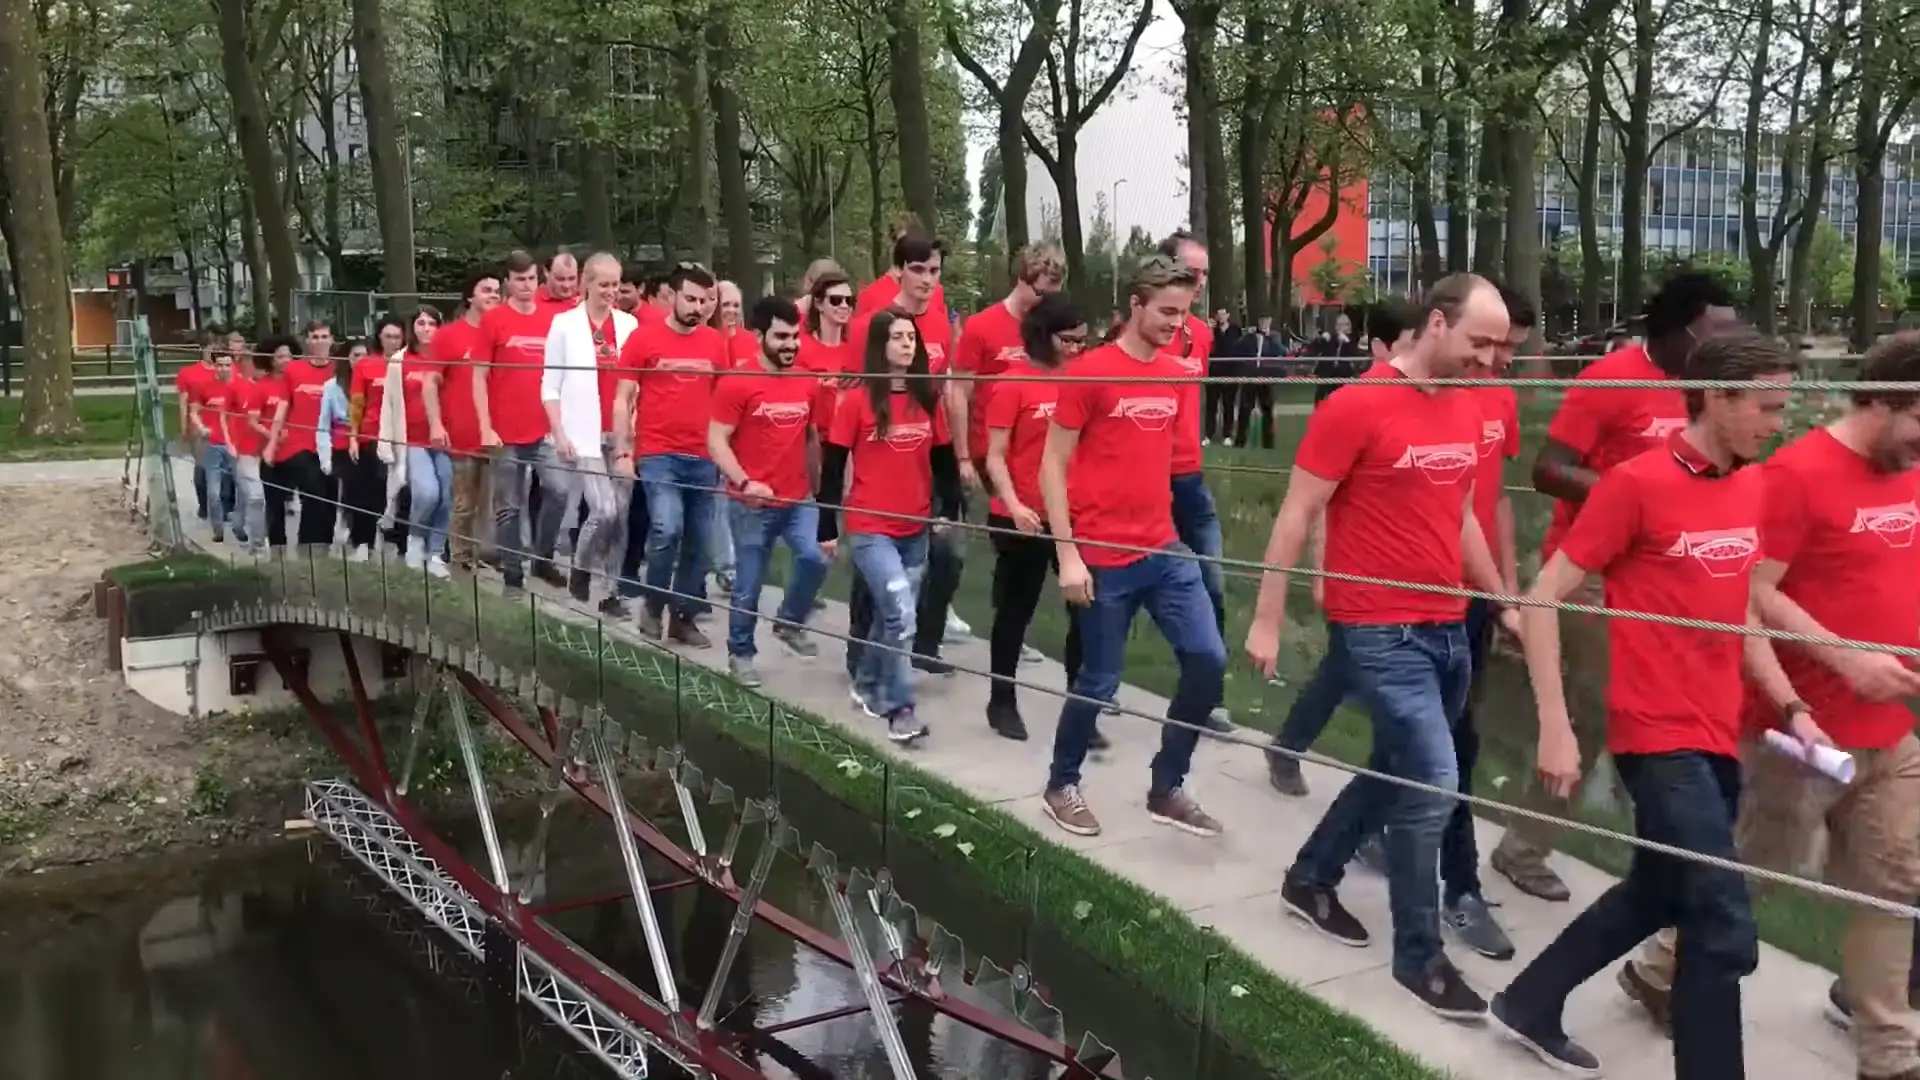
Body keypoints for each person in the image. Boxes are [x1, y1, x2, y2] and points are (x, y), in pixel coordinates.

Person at [1488, 333, 1804, 1079]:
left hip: (1716, 731)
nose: (1777, 423)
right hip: (1654, 738)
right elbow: (1540, 600)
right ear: (1717, 396)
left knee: (1655, 894)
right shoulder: (1635, 484)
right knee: (1720, 928)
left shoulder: (1751, 486)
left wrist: (1791, 705)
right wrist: (1557, 729)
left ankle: (1530, 1002)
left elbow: (1742, 611)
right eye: (1766, 407)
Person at [1616, 332, 1920, 1080]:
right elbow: (1748, 590)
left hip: (1894, 731)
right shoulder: (1794, 475)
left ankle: (1888, 1052)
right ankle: (1660, 970)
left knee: (1896, 883)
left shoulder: (1910, 470)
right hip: (1797, 730)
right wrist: (1842, 657)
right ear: (1884, 400)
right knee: (1754, 874)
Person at [1244, 273, 1511, 1018]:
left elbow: (1458, 514)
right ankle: (1418, 960)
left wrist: (1500, 599)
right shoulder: (1355, 405)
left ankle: (1312, 876)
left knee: (1398, 768)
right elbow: (1297, 512)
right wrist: (1268, 617)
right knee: (1433, 783)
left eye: (1499, 347)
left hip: (1449, 626)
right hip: (1376, 626)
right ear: (1434, 325)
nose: (1491, 360)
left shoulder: (1465, 406)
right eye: (1479, 343)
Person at [1491, 271, 1744, 903]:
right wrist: (1632, 502)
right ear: (1680, 327)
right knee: (1597, 712)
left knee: (1671, 716)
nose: (1724, 343)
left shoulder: (1709, 392)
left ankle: (1663, 858)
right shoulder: (1611, 380)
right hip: (1590, 575)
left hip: (1672, 576)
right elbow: (1547, 469)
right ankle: (1524, 848)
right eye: (1715, 331)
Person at [1037, 254, 1227, 839]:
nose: (1177, 322)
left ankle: (1166, 786)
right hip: (1101, 555)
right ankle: (1060, 784)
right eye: (1167, 310)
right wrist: (1068, 555)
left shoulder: (1175, 372)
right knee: (1100, 680)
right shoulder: (1089, 371)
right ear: (1135, 304)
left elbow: (1168, 465)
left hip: (1163, 549)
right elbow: (1052, 465)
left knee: (1209, 661)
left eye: (1185, 312)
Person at [818, 308, 962, 743]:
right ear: (881, 345)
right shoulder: (857, 402)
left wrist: (946, 511)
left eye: (911, 337)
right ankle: (901, 708)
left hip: (915, 527)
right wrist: (827, 527)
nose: (907, 344)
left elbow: (943, 460)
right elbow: (832, 466)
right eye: (898, 337)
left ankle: (865, 683)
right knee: (902, 613)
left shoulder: (927, 398)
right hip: (870, 527)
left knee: (892, 618)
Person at [844, 234, 966, 677]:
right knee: (876, 562)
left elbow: (947, 389)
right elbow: (852, 395)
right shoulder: (869, 325)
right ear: (900, 270)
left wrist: (960, 456)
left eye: (935, 271)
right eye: (919, 270)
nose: (928, 280)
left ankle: (923, 644)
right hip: (879, 459)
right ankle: (861, 648)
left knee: (949, 553)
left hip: (930, 451)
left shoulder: (938, 324)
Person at [709, 295, 831, 687]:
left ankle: (789, 623)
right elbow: (716, 441)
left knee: (816, 558)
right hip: (750, 503)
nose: (790, 345)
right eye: (781, 337)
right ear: (759, 335)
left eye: (795, 336)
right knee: (749, 583)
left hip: (798, 498)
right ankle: (740, 654)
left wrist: (820, 492)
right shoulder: (737, 382)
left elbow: (812, 438)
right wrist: (745, 482)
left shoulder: (807, 381)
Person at [982, 292, 1088, 741]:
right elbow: (994, 455)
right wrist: (1014, 505)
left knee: (1085, 611)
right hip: (1020, 515)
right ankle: (1001, 701)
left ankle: (1080, 707)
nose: (1078, 348)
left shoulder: (1081, 381)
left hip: (1071, 513)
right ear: (1044, 336)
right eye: (1070, 340)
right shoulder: (1012, 383)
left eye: (1084, 340)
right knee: (1015, 611)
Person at [615, 262, 727, 645]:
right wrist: (622, 450)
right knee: (666, 528)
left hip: (704, 456)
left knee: (701, 543)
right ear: (673, 297)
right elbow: (623, 398)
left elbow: (728, 402)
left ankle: (682, 617)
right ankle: (653, 605)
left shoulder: (716, 343)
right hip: (658, 452)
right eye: (691, 298)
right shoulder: (643, 339)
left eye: (705, 300)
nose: (697, 306)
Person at [1156, 230, 1234, 733]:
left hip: (1189, 475)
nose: (1200, 282)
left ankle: (1207, 698)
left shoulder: (1201, 335)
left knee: (1213, 583)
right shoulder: (1139, 329)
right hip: (1142, 479)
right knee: (1118, 589)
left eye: (1205, 274)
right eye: (1191, 271)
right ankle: (1093, 688)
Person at [541, 252, 641, 614]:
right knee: (604, 509)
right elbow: (550, 386)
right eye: (604, 285)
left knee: (622, 514)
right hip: (583, 432)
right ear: (586, 282)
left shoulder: (629, 325)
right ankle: (581, 567)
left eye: (616, 284)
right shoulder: (564, 325)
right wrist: (559, 432)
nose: (611, 291)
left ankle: (611, 592)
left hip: (621, 432)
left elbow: (639, 383)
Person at [477, 249, 564, 594]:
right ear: (507, 282)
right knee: (509, 507)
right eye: (519, 280)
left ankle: (542, 558)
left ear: (537, 279)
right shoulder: (494, 320)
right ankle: (512, 574)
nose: (526, 285)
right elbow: (478, 376)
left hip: (544, 428)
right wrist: (485, 424)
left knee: (558, 491)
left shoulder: (553, 321)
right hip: (505, 431)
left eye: (530, 279)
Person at [949, 242, 1066, 487]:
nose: (1048, 303)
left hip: (1041, 452)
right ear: (1023, 280)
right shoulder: (982, 326)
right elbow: (959, 392)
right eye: (1043, 293)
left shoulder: (1052, 331)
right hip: (993, 453)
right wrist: (963, 458)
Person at [437, 268, 501, 572]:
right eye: (486, 289)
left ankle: (480, 555)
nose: (493, 295)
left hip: (497, 434)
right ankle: (460, 558)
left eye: (497, 290)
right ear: (470, 296)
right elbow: (432, 382)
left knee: (488, 504)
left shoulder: (501, 334)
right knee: (464, 502)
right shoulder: (449, 335)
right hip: (462, 432)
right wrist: (438, 424)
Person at [344, 316, 404, 561]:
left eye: (397, 337)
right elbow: (357, 402)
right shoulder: (366, 365)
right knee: (367, 492)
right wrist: (353, 436)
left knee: (399, 493)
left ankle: (400, 544)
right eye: (387, 336)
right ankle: (362, 542)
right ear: (379, 337)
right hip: (371, 435)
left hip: (401, 437)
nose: (392, 341)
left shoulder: (408, 363)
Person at [400, 308, 454, 576]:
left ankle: (435, 553)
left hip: (447, 438)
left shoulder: (448, 357)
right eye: (420, 322)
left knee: (445, 497)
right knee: (427, 492)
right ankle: (415, 538)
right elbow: (391, 403)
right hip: (413, 438)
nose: (426, 327)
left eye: (432, 322)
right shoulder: (402, 360)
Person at [226, 339, 274, 558]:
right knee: (255, 497)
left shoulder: (270, 386)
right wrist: (229, 442)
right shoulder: (235, 385)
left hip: (269, 451)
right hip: (245, 450)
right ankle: (257, 544)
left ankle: (240, 522)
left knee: (254, 495)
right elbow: (224, 416)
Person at [253, 336, 302, 551]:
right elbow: (253, 421)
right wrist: (272, 435)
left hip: (298, 451)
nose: (285, 360)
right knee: (274, 502)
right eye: (279, 356)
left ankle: (308, 545)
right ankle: (277, 547)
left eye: (288, 355)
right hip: (270, 453)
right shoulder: (261, 387)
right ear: (269, 360)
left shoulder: (299, 384)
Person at [314, 341, 360, 546]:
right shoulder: (332, 387)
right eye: (355, 354)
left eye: (364, 355)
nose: (360, 360)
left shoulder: (374, 381)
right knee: (348, 488)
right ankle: (348, 527)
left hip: (367, 441)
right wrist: (325, 455)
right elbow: (323, 424)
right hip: (341, 445)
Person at [1232, 313, 1287, 449]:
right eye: (1261, 320)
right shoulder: (1250, 337)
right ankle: (1240, 441)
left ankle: (1268, 444)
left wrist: (1268, 337)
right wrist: (1246, 335)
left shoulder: (1274, 337)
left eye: (1266, 320)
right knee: (1245, 409)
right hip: (1250, 377)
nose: (1264, 323)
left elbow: (1281, 351)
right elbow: (1236, 349)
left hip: (1266, 378)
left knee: (1267, 411)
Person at [1308, 312, 1368, 407]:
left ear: (1350, 326)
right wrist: (1320, 339)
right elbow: (1311, 349)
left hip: (1344, 376)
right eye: (1339, 324)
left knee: (1342, 401)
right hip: (1327, 375)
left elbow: (1358, 354)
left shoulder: (1354, 340)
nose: (1341, 327)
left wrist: (1347, 343)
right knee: (1320, 399)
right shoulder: (1331, 338)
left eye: (1345, 324)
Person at [1203, 306, 1242, 444]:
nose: (1221, 317)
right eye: (1218, 315)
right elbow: (1207, 345)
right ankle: (1208, 434)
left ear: (1228, 315)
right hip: (1214, 372)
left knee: (1228, 404)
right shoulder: (1213, 331)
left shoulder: (1235, 330)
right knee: (1212, 405)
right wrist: (1208, 329)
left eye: (1223, 314)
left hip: (1230, 373)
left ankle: (1227, 434)